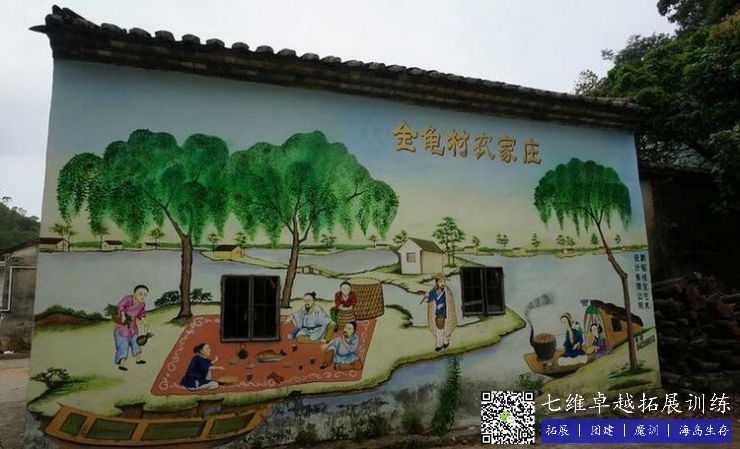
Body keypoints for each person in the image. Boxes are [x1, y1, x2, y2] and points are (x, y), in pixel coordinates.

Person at [114, 285, 149, 371]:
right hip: (122, 328)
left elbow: (140, 313)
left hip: (133, 328)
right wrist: (123, 316)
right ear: (134, 293)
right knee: (123, 346)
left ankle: (138, 360)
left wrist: (144, 321)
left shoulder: (141, 304)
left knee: (136, 343)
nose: (143, 296)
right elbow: (121, 306)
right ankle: (122, 364)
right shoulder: (128, 299)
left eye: (145, 295)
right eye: (140, 294)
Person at [420, 273, 457, 351]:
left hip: (447, 314)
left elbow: (451, 303)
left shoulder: (447, 292)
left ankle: (446, 341)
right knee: (439, 331)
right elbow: (429, 302)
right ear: (437, 282)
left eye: (444, 282)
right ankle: (439, 344)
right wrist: (426, 297)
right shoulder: (433, 292)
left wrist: (444, 306)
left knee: (447, 330)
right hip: (438, 315)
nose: (443, 283)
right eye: (441, 282)